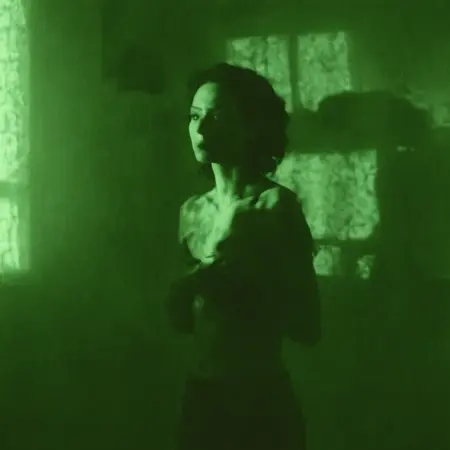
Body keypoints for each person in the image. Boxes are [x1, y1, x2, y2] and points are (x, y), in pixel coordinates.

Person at [166, 63, 321, 450]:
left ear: (251, 126)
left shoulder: (275, 207)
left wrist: (247, 290)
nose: (201, 129)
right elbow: (183, 325)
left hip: (260, 403)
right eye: (195, 116)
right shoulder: (192, 212)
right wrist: (184, 292)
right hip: (202, 400)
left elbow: (308, 327)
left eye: (217, 116)